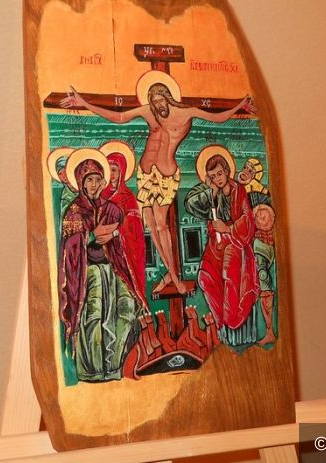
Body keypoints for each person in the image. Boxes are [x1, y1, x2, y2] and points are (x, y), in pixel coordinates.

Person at [61, 71, 254, 295]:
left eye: (161, 101)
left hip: (165, 175)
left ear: (168, 97)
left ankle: (175, 278)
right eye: (154, 102)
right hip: (145, 173)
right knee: (151, 227)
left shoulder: (186, 113)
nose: (158, 106)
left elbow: (217, 118)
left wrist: (240, 105)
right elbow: (119, 116)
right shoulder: (148, 112)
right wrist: (84, 103)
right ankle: (170, 274)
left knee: (162, 226)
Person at [58, 149, 141, 382]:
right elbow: (69, 248)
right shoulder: (74, 212)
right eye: (89, 180)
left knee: (125, 310)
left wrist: (114, 233)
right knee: (94, 317)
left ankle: (115, 366)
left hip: (112, 270)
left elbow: (126, 234)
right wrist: (92, 235)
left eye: (97, 179)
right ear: (81, 183)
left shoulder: (112, 209)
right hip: (88, 273)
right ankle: (93, 370)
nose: (93, 185)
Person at [184, 147, 260, 336]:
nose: (218, 179)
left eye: (219, 173)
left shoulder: (238, 190)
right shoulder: (213, 194)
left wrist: (228, 229)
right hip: (216, 246)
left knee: (229, 271)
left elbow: (248, 220)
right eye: (213, 176)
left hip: (235, 244)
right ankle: (219, 322)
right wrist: (210, 191)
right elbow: (190, 204)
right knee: (204, 277)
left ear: (227, 170)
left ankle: (230, 318)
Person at [99, 141, 149, 309]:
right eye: (108, 170)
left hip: (125, 251)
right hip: (106, 251)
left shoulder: (128, 196)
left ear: (121, 171)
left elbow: (134, 225)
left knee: (126, 294)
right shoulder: (101, 196)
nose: (111, 174)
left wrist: (114, 233)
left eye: (114, 170)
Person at [253, 204, 277, 345]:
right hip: (260, 278)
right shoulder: (257, 237)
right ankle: (269, 332)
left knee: (266, 302)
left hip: (264, 282)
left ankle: (269, 332)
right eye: (258, 216)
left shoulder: (271, 237)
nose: (261, 217)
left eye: (264, 215)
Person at [46, 147, 77, 219]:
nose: (63, 176)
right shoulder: (64, 194)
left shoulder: (84, 189)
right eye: (60, 173)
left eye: (65, 171)